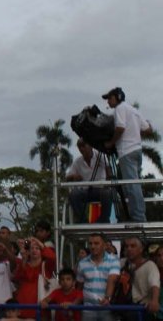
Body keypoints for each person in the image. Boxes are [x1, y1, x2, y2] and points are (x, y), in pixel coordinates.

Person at [102, 87, 153, 222]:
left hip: (127, 151)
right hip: (137, 150)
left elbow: (120, 128)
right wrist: (134, 133)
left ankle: (138, 218)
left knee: (131, 185)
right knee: (134, 184)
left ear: (118, 97)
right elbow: (148, 129)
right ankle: (139, 215)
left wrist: (111, 142)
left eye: (110, 98)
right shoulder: (134, 110)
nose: (108, 102)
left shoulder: (120, 109)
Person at [66, 139, 114, 224]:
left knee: (107, 193)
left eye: (83, 145)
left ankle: (104, 220)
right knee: (73, 194)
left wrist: (108, 181)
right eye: (79, 147)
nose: (81, 148)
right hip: (86, 191)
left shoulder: (100, 155)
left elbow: (108, 169)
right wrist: (73, 176)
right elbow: (67, 178)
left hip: (100, 189)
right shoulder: (77, 162)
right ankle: (83, 221)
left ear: (91, 146)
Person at [76, 232, 120, 321]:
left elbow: (112, 280)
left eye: (96, 243)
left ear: (104, 245)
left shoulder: (114, 260)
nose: (92, 246)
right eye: (90, 243)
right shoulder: (82, 263)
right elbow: (79, 287)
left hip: (107, 308)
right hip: (88, 309)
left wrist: (107, 298)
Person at [116, 237, 160, 320]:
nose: (129, 249)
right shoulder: (121, 263)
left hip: (142, 309)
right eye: (127, 246)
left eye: (133, 246)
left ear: (141, 249)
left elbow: (154, 284)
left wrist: (154, 301)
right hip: (123, 308)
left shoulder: (150, 265)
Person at [13, 236, 56, 319]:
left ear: (42, 251)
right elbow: (17, 278)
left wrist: (38, 241)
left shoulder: (46, 265)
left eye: (37, 248)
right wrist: (24, 258)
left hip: (40, 308)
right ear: (28, 251)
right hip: (22, 307)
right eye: (31, 248)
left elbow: (52, 257)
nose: (34, 250)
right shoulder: (24, 264)